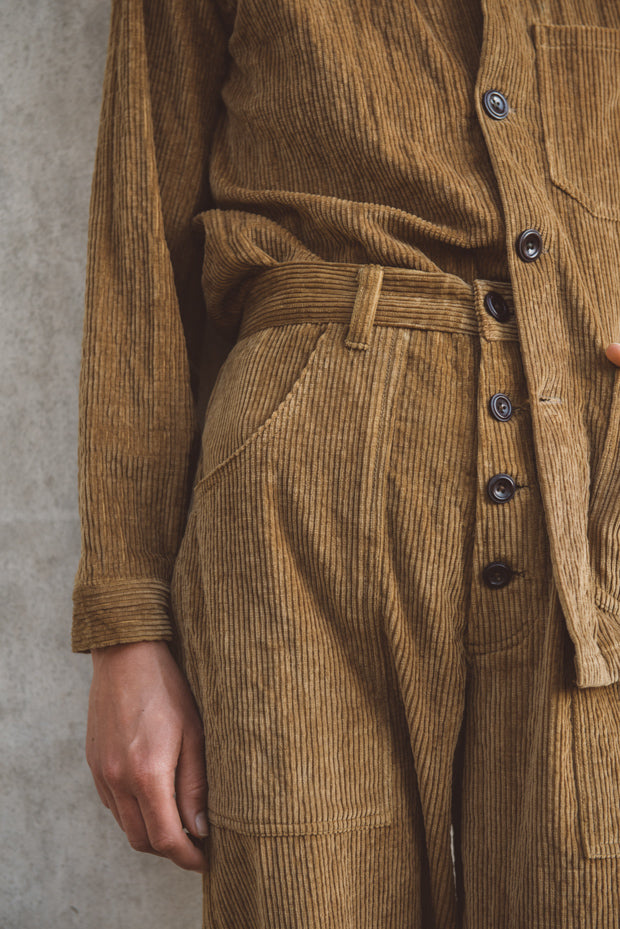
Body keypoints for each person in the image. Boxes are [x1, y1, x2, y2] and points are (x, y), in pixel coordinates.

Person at [72, 0, 620, 925]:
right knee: (307, 894)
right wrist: (127, 627)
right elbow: (140, 245)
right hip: (303, 490)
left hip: (594, 470)